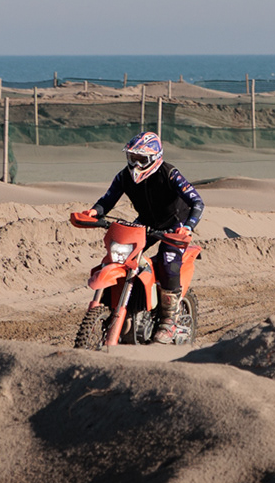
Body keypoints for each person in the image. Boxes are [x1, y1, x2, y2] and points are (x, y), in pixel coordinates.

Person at [83, 132, 205, 343]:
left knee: (167, 260)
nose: (136, 164)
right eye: (132, 158)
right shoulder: (124, 176)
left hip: (174, 224)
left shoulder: (170, 173)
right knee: (121, 257)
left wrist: (188, 227)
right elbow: (108, 199)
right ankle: (119, 305)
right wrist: (95, 212)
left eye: (141, 159)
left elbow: (197, 202)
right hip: (146, 222)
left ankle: (169, 320)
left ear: (155, 158)